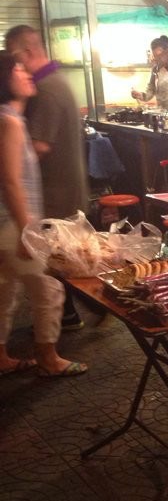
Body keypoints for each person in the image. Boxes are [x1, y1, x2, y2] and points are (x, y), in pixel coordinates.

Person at [0, 51, 87, 378]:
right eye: (18, 70)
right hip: (13, 223)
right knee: (49, 288)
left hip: (5, 222)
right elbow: (11, 180)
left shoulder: (7, 117)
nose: (27, 74)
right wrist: (27, 229)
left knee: (5, 290)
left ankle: (1, 357)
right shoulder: (10, 121)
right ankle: (49, 359)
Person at [131, 35, 168, 113]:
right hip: (162, 114)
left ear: (167, 52)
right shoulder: (156, 70)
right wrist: (140, 95)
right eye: (155, 56)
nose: (157, 59)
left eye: (159, 55)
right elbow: (150, 91)